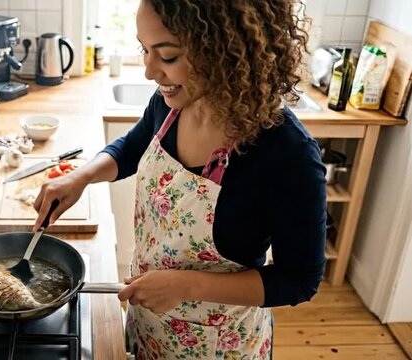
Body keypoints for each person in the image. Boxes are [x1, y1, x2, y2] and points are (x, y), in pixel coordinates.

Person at [33, 0, 326, 358]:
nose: (149, 72)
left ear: (224, 51)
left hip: (218, 345)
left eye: (167, 56)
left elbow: (300, 280)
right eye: (144, 50)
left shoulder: (286, 153)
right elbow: (134, 146)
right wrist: (81, 176)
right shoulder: (172, 101)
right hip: (149, 322)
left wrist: (186, 285)